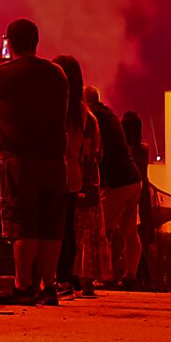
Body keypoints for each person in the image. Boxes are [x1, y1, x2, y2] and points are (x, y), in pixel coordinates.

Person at [0, 20, 70, 303]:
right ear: (36, 41)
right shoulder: (57, 74)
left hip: (18, 158)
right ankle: (49, 287)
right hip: (55, 158)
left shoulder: (2, 74)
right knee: (51, 225)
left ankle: (22, 286)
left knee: (23, 223)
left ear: (11, 43)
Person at [56, 54, 104, 295]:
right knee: (68, 230)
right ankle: (66, 278)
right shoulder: (82, 111)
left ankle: (57, 278)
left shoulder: (59, 107)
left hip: (57, 172)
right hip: (74, 175)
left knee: (53, 229)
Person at [92, 89, 142, 290]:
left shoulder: (92, 116)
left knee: (103, 229)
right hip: (133, 179)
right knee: (130, 231)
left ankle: (105, 276)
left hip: (117, 183)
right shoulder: (110, 115)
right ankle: (131, 276)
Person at [119, 110, 154, 283]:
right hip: (144, 195)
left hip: (127, 192)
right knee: (139, 237)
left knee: (126, 234)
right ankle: (140, 277)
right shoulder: (144, 149)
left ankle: (129, 273)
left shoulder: (123, 152)